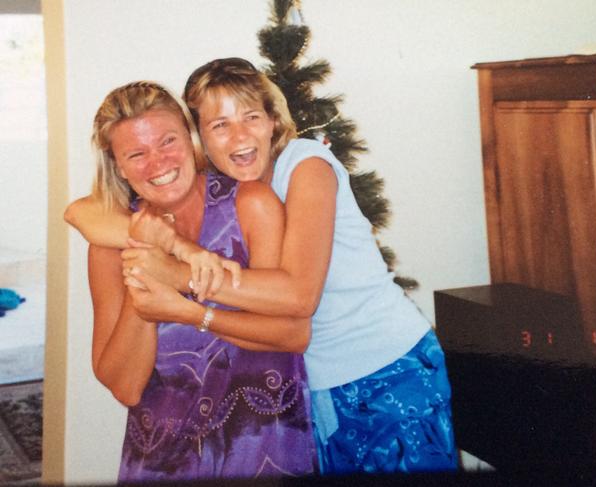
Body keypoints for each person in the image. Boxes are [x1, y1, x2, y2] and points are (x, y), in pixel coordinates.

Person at [66, 59, 457, 474]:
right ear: (202, 137)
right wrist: (156, 250)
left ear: (273, 119)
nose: (239, 135)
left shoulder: (302, 169)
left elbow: (297, 299)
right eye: (219, 125)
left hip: (384, 367)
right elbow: (77, 212)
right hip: (313, 393)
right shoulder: (214, 193)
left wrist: (178, 277)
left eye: (251, 116)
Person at [77, 81, 318, 482]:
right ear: (117, 166)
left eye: (167, 141)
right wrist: (145, 278)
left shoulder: (249, 203)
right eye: (136, 154)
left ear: (191, 138)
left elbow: (292, 334)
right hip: (162, 462)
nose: (157, 164)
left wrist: (190, 311)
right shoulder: (108, 244)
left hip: (263, 450)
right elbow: (126, 388)